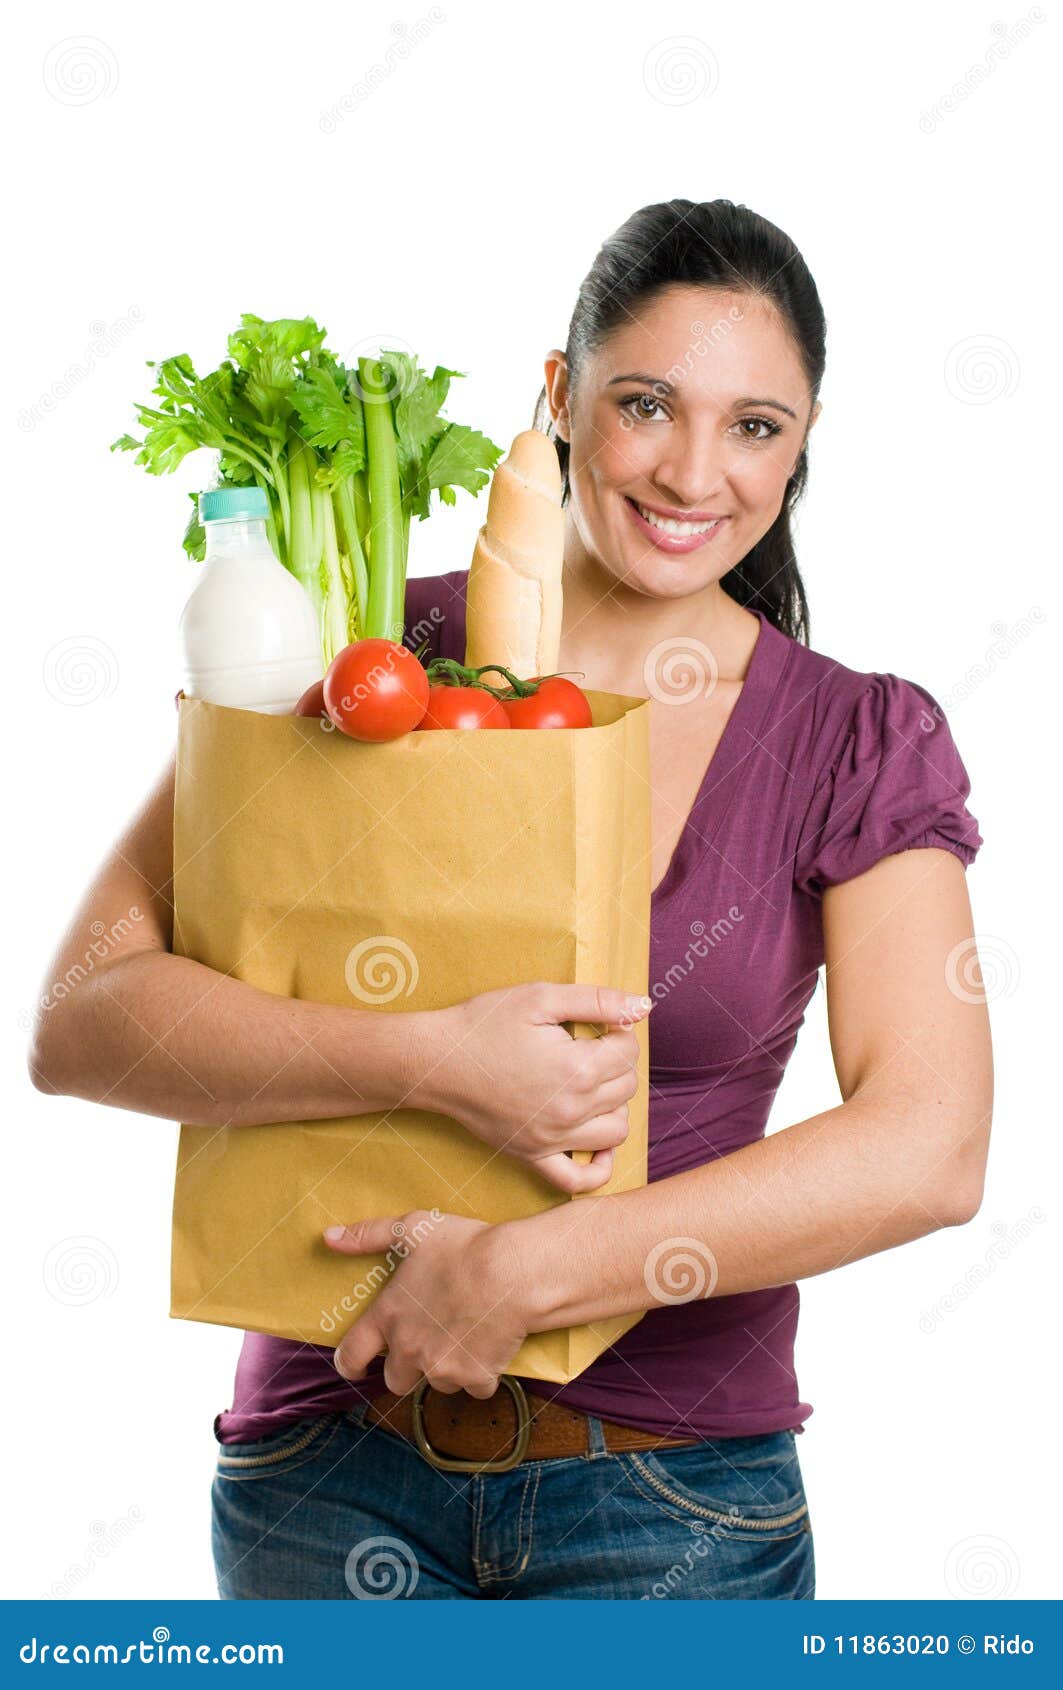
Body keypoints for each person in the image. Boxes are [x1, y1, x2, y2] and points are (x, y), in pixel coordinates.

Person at [30, 199, 992, 1601]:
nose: (694, 472)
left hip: (674, 1497)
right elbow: (83, 1020)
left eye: (755, 426)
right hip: (321, 1470)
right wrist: (432, 1059)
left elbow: (929, 1145)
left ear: (804, 442)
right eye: (645, 405)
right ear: (559, 393)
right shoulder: (365, 657)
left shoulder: (853, 737)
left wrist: (531, 1273)